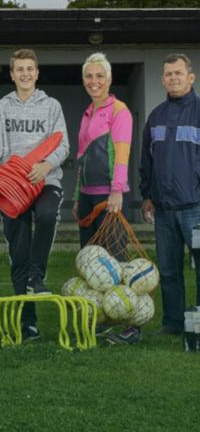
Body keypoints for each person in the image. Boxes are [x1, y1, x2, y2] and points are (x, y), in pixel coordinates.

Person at [0, 48, 69, 341]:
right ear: (13, 74)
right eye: (20, 69)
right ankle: (28, 324)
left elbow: (63, 145)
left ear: (37, 73)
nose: (25, 74)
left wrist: (46, 165)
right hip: (13, 188)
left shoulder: (52, 105)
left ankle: (36, 276)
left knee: (45, 215)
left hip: (45, 181)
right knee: (18, 254)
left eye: (30, 68)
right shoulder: (3, 107)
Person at [71, 53, 137, 345]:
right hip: (86, 202)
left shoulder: (120, 111)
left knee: (117, 264)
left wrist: (117, 190)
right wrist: (75, 197)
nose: (94, 81)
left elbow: (122, 154)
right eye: (89, 76)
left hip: (109, 199)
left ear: (109, 80)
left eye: (100, 76)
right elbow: (80, 159)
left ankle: (131, 327)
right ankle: (99, 323)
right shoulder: (86, 114)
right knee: (91, 267)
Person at [140, 53, 200, 336]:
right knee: (168, 271)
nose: (173, 78)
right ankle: (173, 324)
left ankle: (199, 325)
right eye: (168, 74)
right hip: (163, 210)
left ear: (191, 77)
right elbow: (146, 161)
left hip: (195, 208)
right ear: (163, 79)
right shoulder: (155, 116)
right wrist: (147, 194)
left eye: (179, 73)